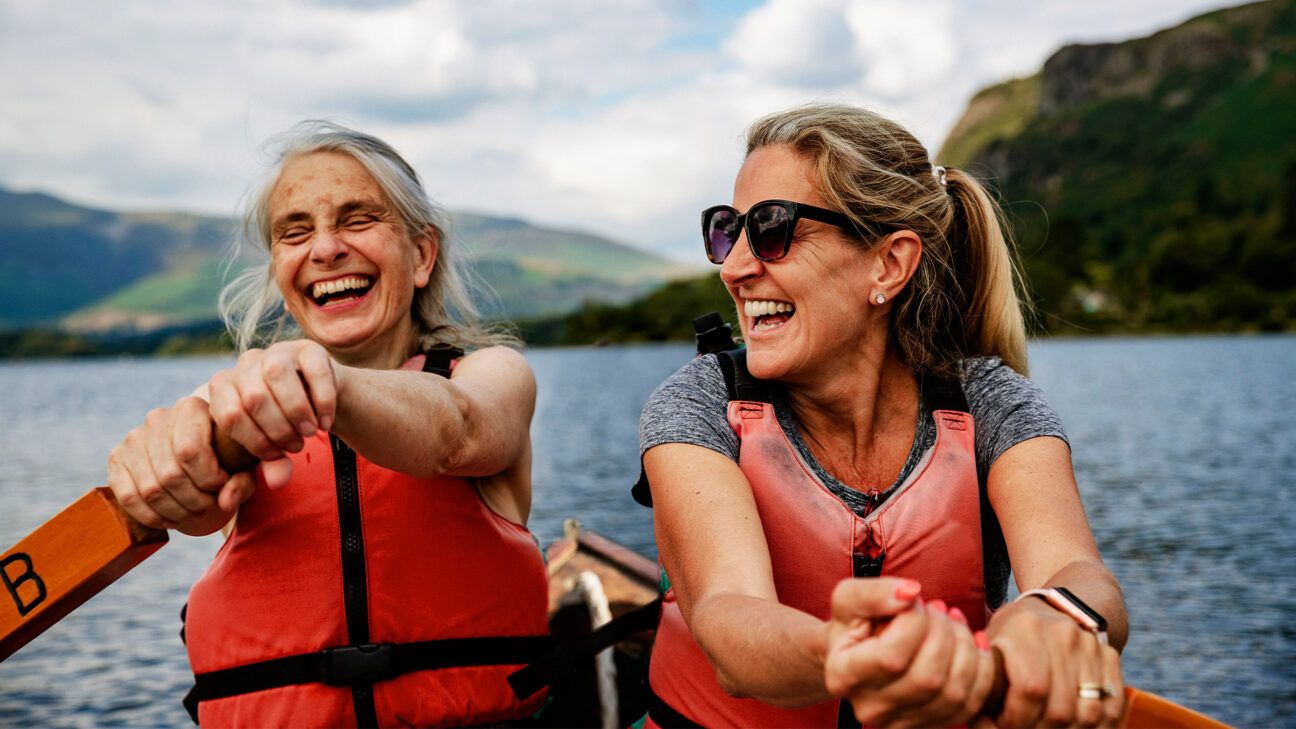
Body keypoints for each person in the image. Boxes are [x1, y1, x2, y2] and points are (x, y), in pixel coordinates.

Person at [636, 104, 1127, 728]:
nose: (733, 268)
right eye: (728, 230)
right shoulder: (697, 405)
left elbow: (1078, 572)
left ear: (888, 264)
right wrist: (854, 652)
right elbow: (729, 617)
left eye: (772, 229)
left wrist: (1052, 615)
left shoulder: (992, 402)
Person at [106, 122, 550, 728]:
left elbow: (464, 431)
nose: (324, 250)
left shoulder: (492, 373)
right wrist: (155, 463)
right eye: (295, 232)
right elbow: (198, 508)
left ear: (420, 256)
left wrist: (330, 382)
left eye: (357, 219)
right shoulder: (232, 405)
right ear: (280, 273)